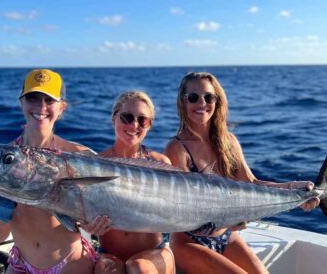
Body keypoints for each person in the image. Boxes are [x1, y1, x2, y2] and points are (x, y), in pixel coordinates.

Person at [164, 72, 320, 274]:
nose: (201, 103)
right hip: (189, 242)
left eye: (208, 97)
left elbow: (252, 184)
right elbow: (184, 208)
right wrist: (229, 218)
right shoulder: (176, 148)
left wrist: (294, 189)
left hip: (226, 236)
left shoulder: (228, 141)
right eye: (193, 97)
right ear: (183, 102)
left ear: (217, 101)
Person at [0, 69, 110, 274]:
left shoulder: (81, 157)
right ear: (21, 102)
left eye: (49, 100)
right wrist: (2, 203)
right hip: (21, 264)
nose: (41, 107)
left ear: (62, 107)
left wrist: (92, 225)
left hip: (71, 262)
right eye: (32, 98)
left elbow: (103, 210)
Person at [93, 91, 176, 274]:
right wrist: (86, 225)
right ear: (114, 118)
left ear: (149, 125)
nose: (134, 125)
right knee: (104, 268)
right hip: (109, 253)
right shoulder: (96, 164)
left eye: (142, 120)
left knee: (139, 267)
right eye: (127, 117)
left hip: (154, 253)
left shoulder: (161, 164)